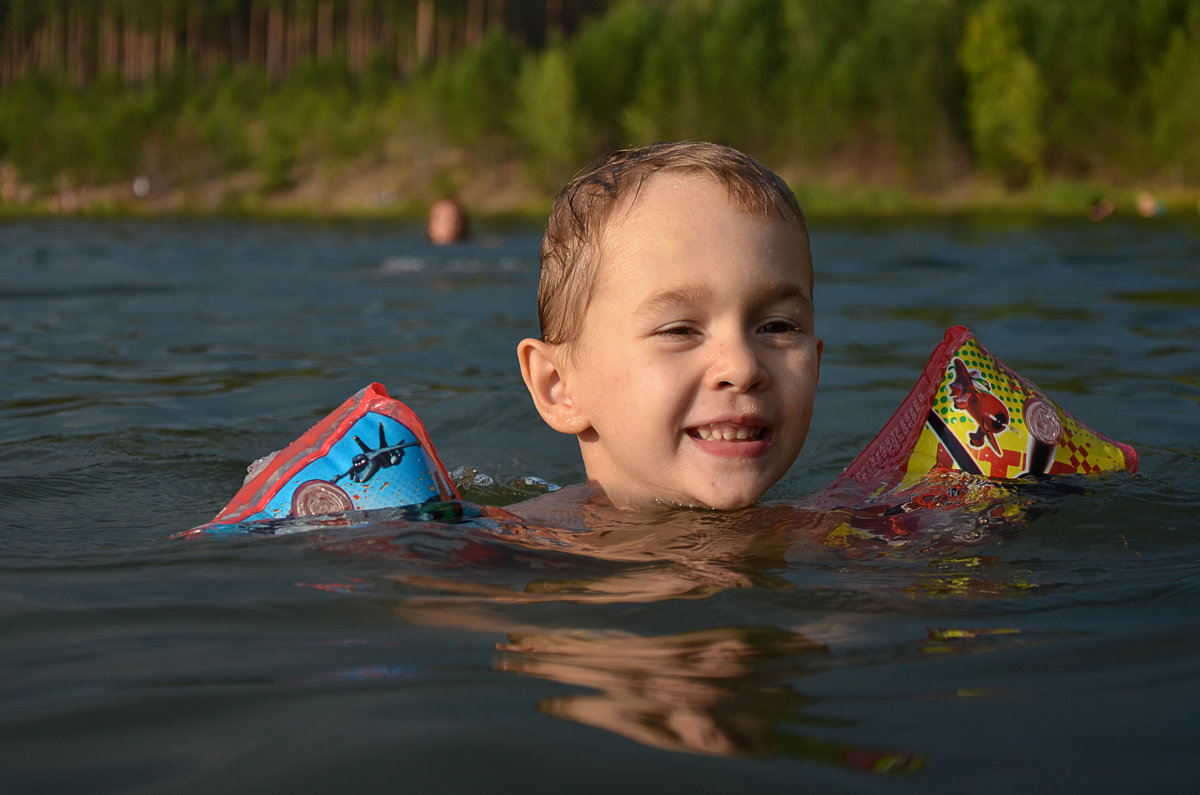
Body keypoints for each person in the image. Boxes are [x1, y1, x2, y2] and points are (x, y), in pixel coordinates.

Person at [516, 141, 822, 512]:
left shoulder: (852, 540)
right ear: (558, 386)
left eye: (777, 327)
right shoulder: (498, 553)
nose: (742, 368)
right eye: (680, 331)